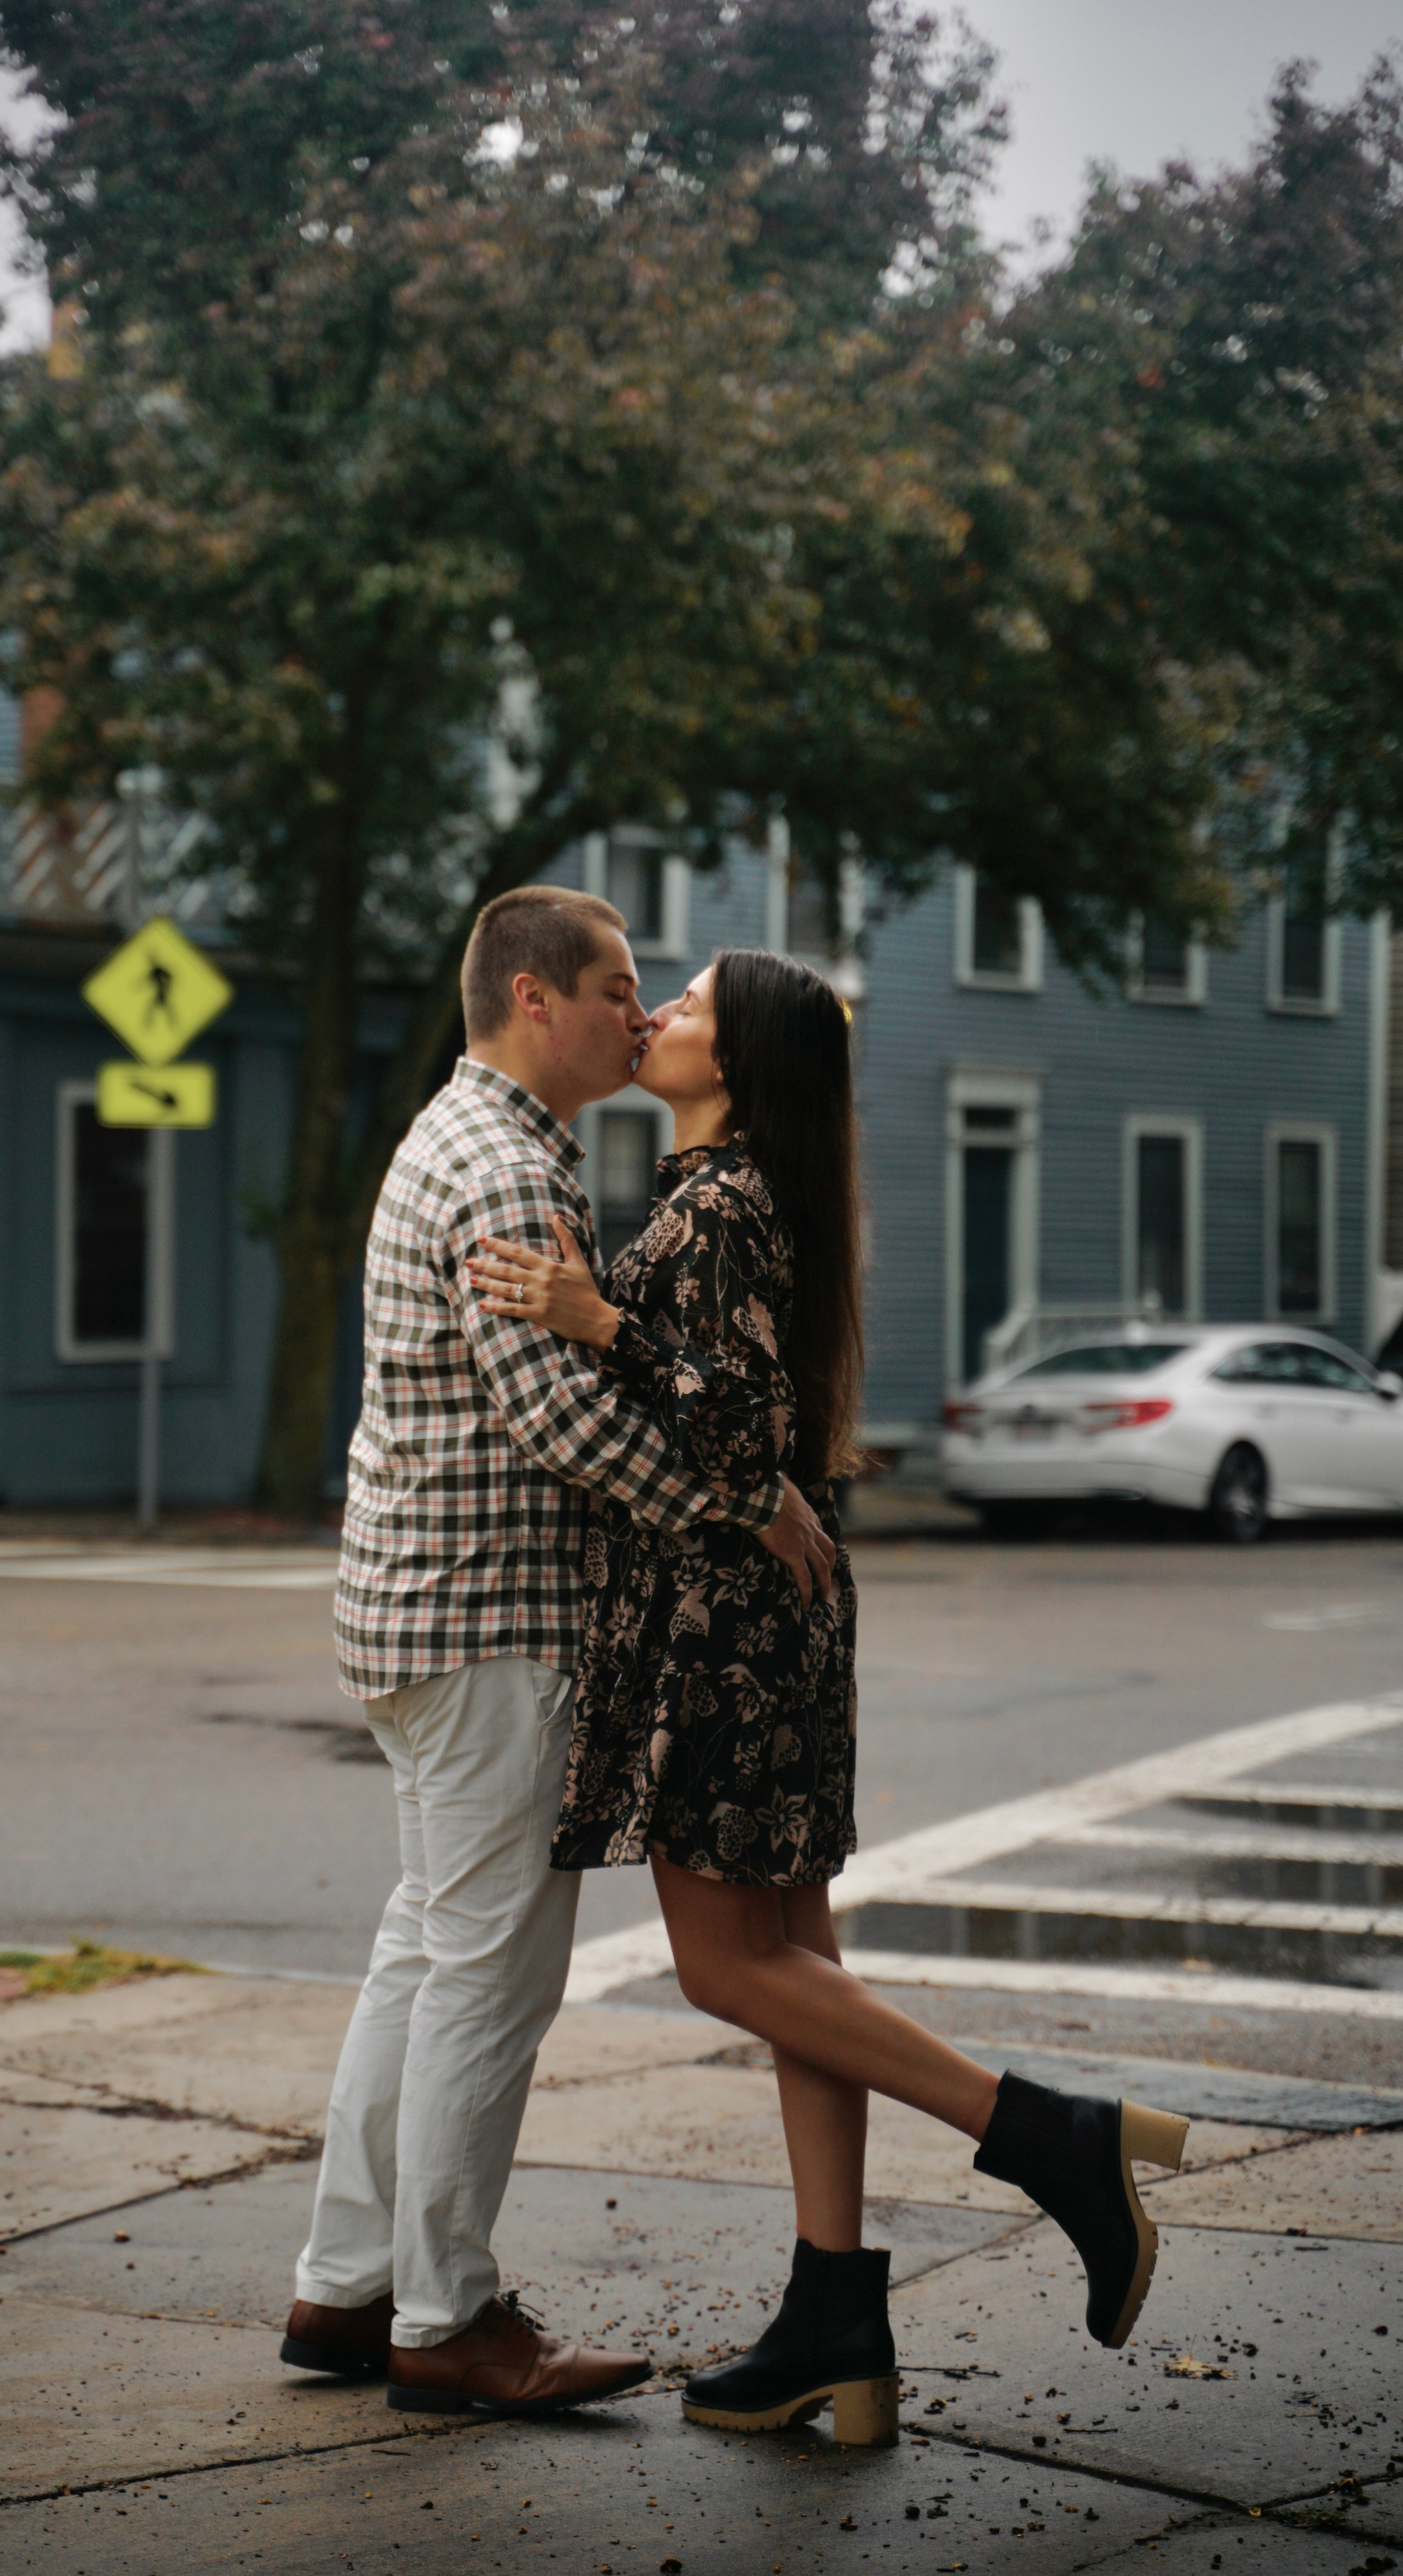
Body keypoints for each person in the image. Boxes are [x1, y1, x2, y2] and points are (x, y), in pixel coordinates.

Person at [468, 948, 1190, 2441]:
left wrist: (598, 1321)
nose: (655, 1011)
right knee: (797, 1965)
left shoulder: (718, 1206)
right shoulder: (734, 1194)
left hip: (720, 1630)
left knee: (731, 1969)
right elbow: (754, 1419)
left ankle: (1051, 2136)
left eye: (687, 1003)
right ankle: (835, 2318)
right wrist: (614, 1316)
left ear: (737, 1063)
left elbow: (741, 1426)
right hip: (762, 1618)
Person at [282, 889, 837, 2419]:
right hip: (490, 1623)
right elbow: (568, 1423)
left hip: (422, 1615)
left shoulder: (472, 1139)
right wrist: (749, 1501)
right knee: (491, 1977)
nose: (637, 1012)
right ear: (535, 999)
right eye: (615, 986)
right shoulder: (505, 1171)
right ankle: (446, 2317)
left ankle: (347, 2284)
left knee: (424, 1952)